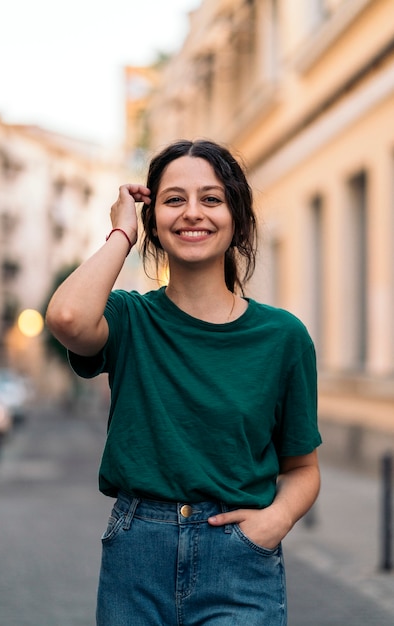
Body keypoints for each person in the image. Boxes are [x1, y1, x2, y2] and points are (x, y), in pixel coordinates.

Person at [46, 139, 321, 626]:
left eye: (211, 199)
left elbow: (302, 468)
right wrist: (121, 232)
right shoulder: (129, 318)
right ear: (154, 222)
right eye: (174, 200)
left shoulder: (283, 337)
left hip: (239, 560)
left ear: (237, 219)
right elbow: (67, 317)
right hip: (137, 554)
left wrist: (272, 523)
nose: (193, 213)